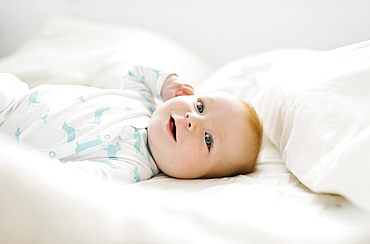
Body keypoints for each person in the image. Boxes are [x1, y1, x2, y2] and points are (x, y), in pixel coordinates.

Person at [0, 66, 263, 185]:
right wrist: (166, 82)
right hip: (15, 99)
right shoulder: (142, 99)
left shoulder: (132, 167)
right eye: (200, 106)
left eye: (208, 140)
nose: (193, 120)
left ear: (199, 178)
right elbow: (136, 73)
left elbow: (74, 178)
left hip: (11, 145)